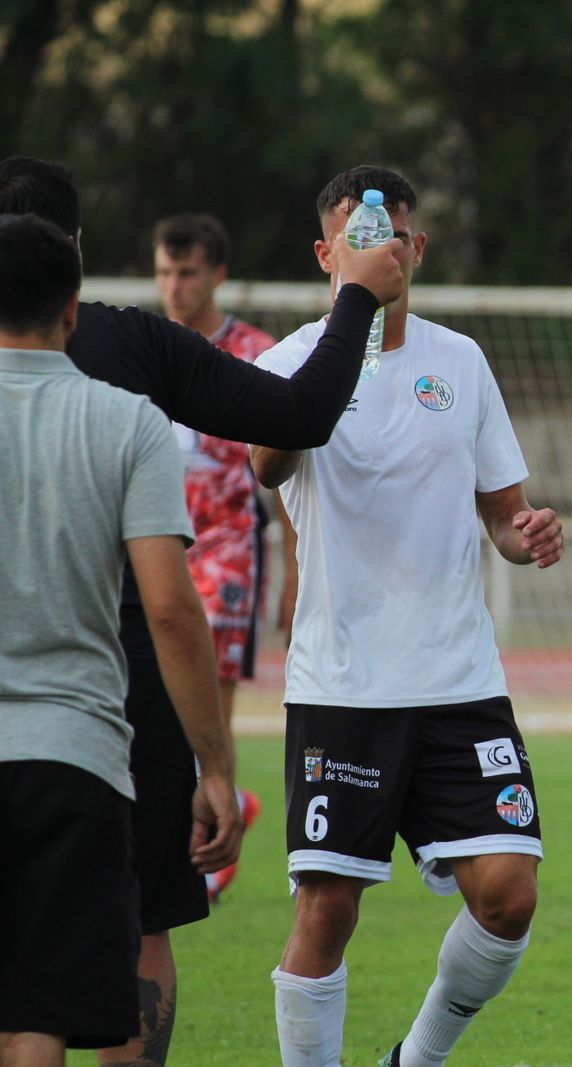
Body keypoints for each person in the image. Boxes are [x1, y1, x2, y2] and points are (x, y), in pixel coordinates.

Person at [0, 155, 402, 1067]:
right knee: (138, 922)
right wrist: (356, 296)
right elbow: (297, 415)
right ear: (74, 262)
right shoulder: (130, 373)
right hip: (111, 700)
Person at [249, 164, 564, 1067]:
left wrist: (525, 534)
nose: (376, 249)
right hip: (344, 685)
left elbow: (502, 514)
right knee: (327, 910)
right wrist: (347, 321)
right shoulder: (289, 362)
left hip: (458, 680)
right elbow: (268, 464)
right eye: (355, 236)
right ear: (326, 254)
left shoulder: (460, 361)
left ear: (416, 248)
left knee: (509, 894)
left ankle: (414, 1060)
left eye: (388, 235)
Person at [0, 213, 241, 1065]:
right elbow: (171, 609)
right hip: (73, 755)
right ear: (73, 308)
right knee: (37, 1011)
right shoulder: (128, 421)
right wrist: (215, 767)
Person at [153, 212, 276, 901]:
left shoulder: (254, 352)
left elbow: (286, 463)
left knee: (208, 713)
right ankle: (215, 818)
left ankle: (209, 843)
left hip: (228, 551)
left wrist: (294, 567)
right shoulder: (146, 347)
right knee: (156, 703)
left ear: (218, 275)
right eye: (165, 272)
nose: (174, 286)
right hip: (156, 546)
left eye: (188, 272)